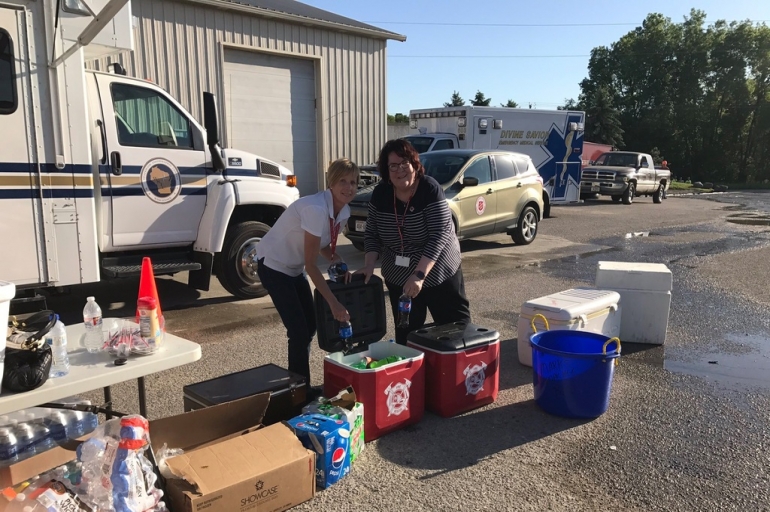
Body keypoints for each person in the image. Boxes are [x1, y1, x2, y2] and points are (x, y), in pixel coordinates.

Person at [256, 158, 360, 392]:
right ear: (331, 183)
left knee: (310, 326)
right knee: (299, 331)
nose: (349, 187)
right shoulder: (315, 209)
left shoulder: (344, 210)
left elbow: (319, 243)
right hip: (273, 265)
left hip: (294, 267)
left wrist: (334, 258)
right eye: (342, 181)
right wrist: (333, 304)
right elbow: (312, 266)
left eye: (353, 182)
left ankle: (299, 385)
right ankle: (298, 391)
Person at [356, 139, 471, 345]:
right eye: (393, 165)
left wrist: (419, 275)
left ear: (414, 164)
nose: (400, 170)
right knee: (407, 335)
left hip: (438, 270)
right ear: (386, 170)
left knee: (454, 332)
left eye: (404, 163)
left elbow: (439, 235)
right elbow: (372, 233)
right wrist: (369, 265)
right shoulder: (381, 194)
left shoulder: (429, 189)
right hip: (398, 275)